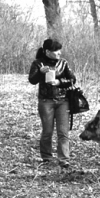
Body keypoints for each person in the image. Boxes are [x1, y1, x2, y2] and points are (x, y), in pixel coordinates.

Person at [28, 38, 77, 167]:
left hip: (63, 101)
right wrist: (40, 73)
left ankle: (64, 159)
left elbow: (72, 79)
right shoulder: (38, 63)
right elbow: (32, 80)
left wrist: (59, 82)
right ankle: (46, 157)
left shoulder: (63, 63)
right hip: (45, 101)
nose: (59, 53)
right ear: (48, 51)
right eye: (56, 50)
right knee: (47, 131)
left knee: (63, 132)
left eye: (60, 50)